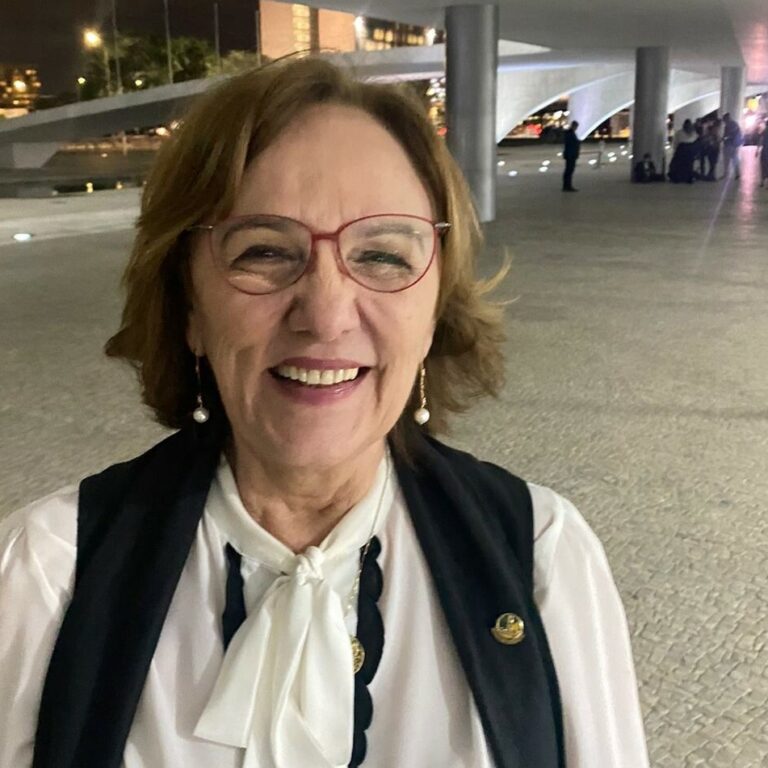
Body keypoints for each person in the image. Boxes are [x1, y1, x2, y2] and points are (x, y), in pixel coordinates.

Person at [0, 58, 649, 768]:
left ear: (433, 313)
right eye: (265, 252)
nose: (327, 314)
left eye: (382, 256)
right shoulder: (47, 574)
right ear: (188, 306)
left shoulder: (541, 559)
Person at [668, 118, 698, 183]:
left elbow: (676, 142)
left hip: (682, 149)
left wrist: (675, 150)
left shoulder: (679, 132)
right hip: (690, 150)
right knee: (689, 165)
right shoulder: (693, 133)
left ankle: (678, 178)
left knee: (679, 165)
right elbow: (695, 141)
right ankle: (688, 178)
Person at [722, 112, 743, 180]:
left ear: (726, 119)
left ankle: (726, 174)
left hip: (728, 145)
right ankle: (737, 173)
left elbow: (727, 136)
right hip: (735, 145)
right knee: (735, 159)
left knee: (726, 161)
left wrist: (723, 138)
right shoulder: (735, 124)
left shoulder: (728, 125)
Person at [562, 120, 581, 191]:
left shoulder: (570, 133)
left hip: (570, 154)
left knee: (569, 170)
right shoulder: (570, 133)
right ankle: (567, 186)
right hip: (571, 155)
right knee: (569, 170)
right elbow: (571, 144)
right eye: (576, 127)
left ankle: (567, 185)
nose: (576, 128)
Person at [757, 118, 768, 188]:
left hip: (765, 151)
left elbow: (761, 140)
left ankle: (762, 181)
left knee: (763, 166)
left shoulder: (765, 131)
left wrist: (757, 150)